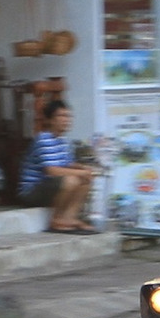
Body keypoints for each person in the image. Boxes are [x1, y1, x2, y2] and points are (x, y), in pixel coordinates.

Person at [18, 100, 99, 233]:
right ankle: (56, 219)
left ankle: (69, 218)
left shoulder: (62, 140)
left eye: (68, 116)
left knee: (86, 180)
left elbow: (68, 164)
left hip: (50, 187)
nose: (66, 120)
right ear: (50, 120)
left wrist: (84, 169)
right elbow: (52, 171)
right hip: (31, 192)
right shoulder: (43, 139)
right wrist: (80, 173)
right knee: (71, 179)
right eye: (61, 116)